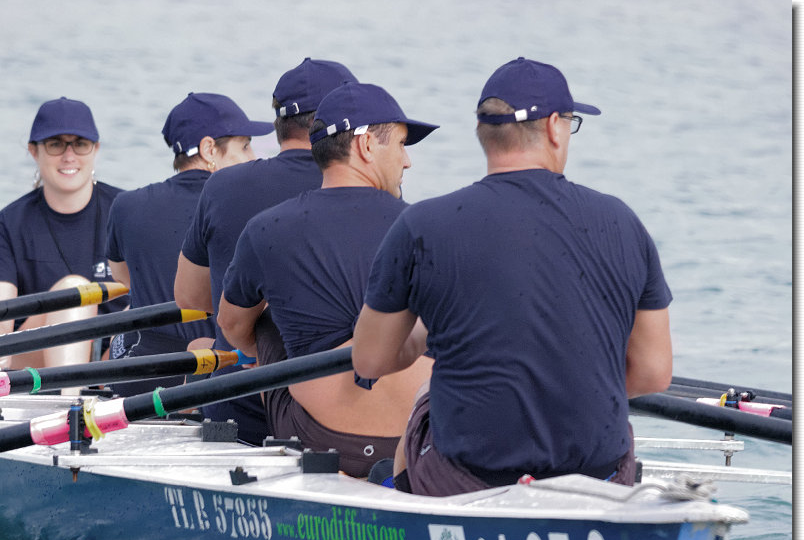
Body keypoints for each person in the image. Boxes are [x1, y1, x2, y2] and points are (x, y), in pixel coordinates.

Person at [351, 57, 673, 496]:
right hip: (596, 475)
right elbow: (653, 374)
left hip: (469, 477)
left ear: (483, 133)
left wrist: (430, 331)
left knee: (426, 397)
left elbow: (370, 361)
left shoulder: (421, 225)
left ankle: (403, 501)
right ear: (555, 127)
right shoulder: (623, 222)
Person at [217, 83, 438, 477]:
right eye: (401, 145)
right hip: (419, 439)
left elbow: (231, 326)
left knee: (264, 319)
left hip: (326, 441)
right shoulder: (429, 226)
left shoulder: (267, 228)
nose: (407, 162)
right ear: (366, 145)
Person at [174, 57, 357, 444]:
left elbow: (190, 298)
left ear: (279, 125)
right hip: (336, 415)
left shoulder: (222, 185)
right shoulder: (368, 192)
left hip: (237, 405)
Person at [104, 92, 273, 396]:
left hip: (139, 373)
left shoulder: (125, 205)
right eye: (245, 146)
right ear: (210, 149)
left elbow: (123, 278)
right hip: (216, 372)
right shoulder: (245, 208)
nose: (252, 157)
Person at [0, 97, 126, 370]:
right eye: (56, 144)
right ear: (34, 151)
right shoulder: (9, 223)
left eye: (80, 144)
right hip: (35, 360)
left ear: (96, 149)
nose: (69, 156)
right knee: (74, 292)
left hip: (114, 357)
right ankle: (73, 395)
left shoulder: (128, 212)